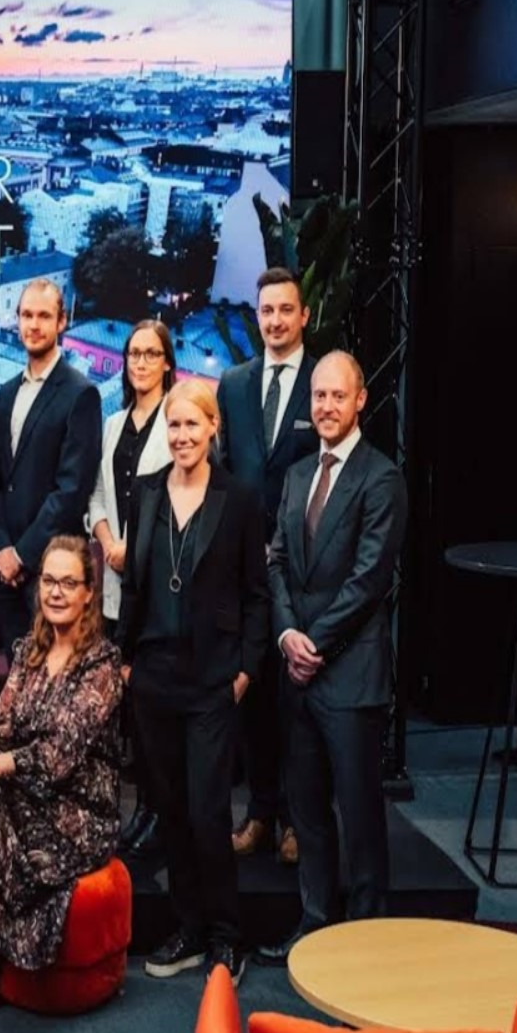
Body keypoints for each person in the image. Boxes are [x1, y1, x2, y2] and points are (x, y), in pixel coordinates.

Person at [0, 536, 126, 1021]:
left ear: (89, 594)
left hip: (80, 813)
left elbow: (61, 754)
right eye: (49, 581)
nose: (55, 592)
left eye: (68, 583)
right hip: (29, 796)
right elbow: (2, 723)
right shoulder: (30, 652)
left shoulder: (102, 666)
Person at [116, 379, 270, 986]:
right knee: (173, 812)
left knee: (208, 813)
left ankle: (228, 937)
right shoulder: (147, 492)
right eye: (173, 426)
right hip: (153, 679)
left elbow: (256, 595)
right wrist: (126, 661)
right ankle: (188, 928)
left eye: (191, 424)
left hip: (213, 682)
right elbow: (133, 585)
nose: (181, 435)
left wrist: (245, 671)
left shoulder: (240, 499)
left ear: (213, 428)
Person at [257, 351, 407, 967]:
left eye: (337, 396)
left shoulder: (381, 478)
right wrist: (288, 635)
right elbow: (276, 563)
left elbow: (369, 580)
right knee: (309, 813)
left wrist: (313, 643)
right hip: (299, 673)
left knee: (361, 818)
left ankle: (366, 945)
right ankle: (315, 928)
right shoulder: (297, 476)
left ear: (360, 400)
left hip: (350, 675)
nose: (325, 407)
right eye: (318, 396)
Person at [216, 267, 320, 866]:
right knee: (253, 699)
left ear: (304, 316)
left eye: (285, 310)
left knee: (297, 706)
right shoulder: (233, 383)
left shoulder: (322, 382)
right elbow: (229, 471)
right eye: (266, 311)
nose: (275, 320)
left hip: (303, 569)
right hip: (247, 570)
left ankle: (298, 823)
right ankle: (259, 813)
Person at [88, 319, 174, 857]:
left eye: (150, 354)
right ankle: (135, 810)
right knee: (121, 704)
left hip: (160, 587)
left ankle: (155, 809)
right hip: (116, 581)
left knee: (149, 705)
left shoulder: (177, 421)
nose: (140, 362)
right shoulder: (113, 423)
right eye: (133, 354)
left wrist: (134, 550)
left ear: (167, 363)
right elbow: (97, 495)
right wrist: (109, 543)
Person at [0, 279, 103, 649]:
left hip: (52, 572)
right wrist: (1, 549)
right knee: (16, 674)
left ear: (61, 321)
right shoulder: (6, 392)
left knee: (53, 678)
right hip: (6, 571)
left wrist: (21, 554)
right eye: (26, 315)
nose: (33, 325)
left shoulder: (81, 394)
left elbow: (71, 491)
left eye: (43, 316)